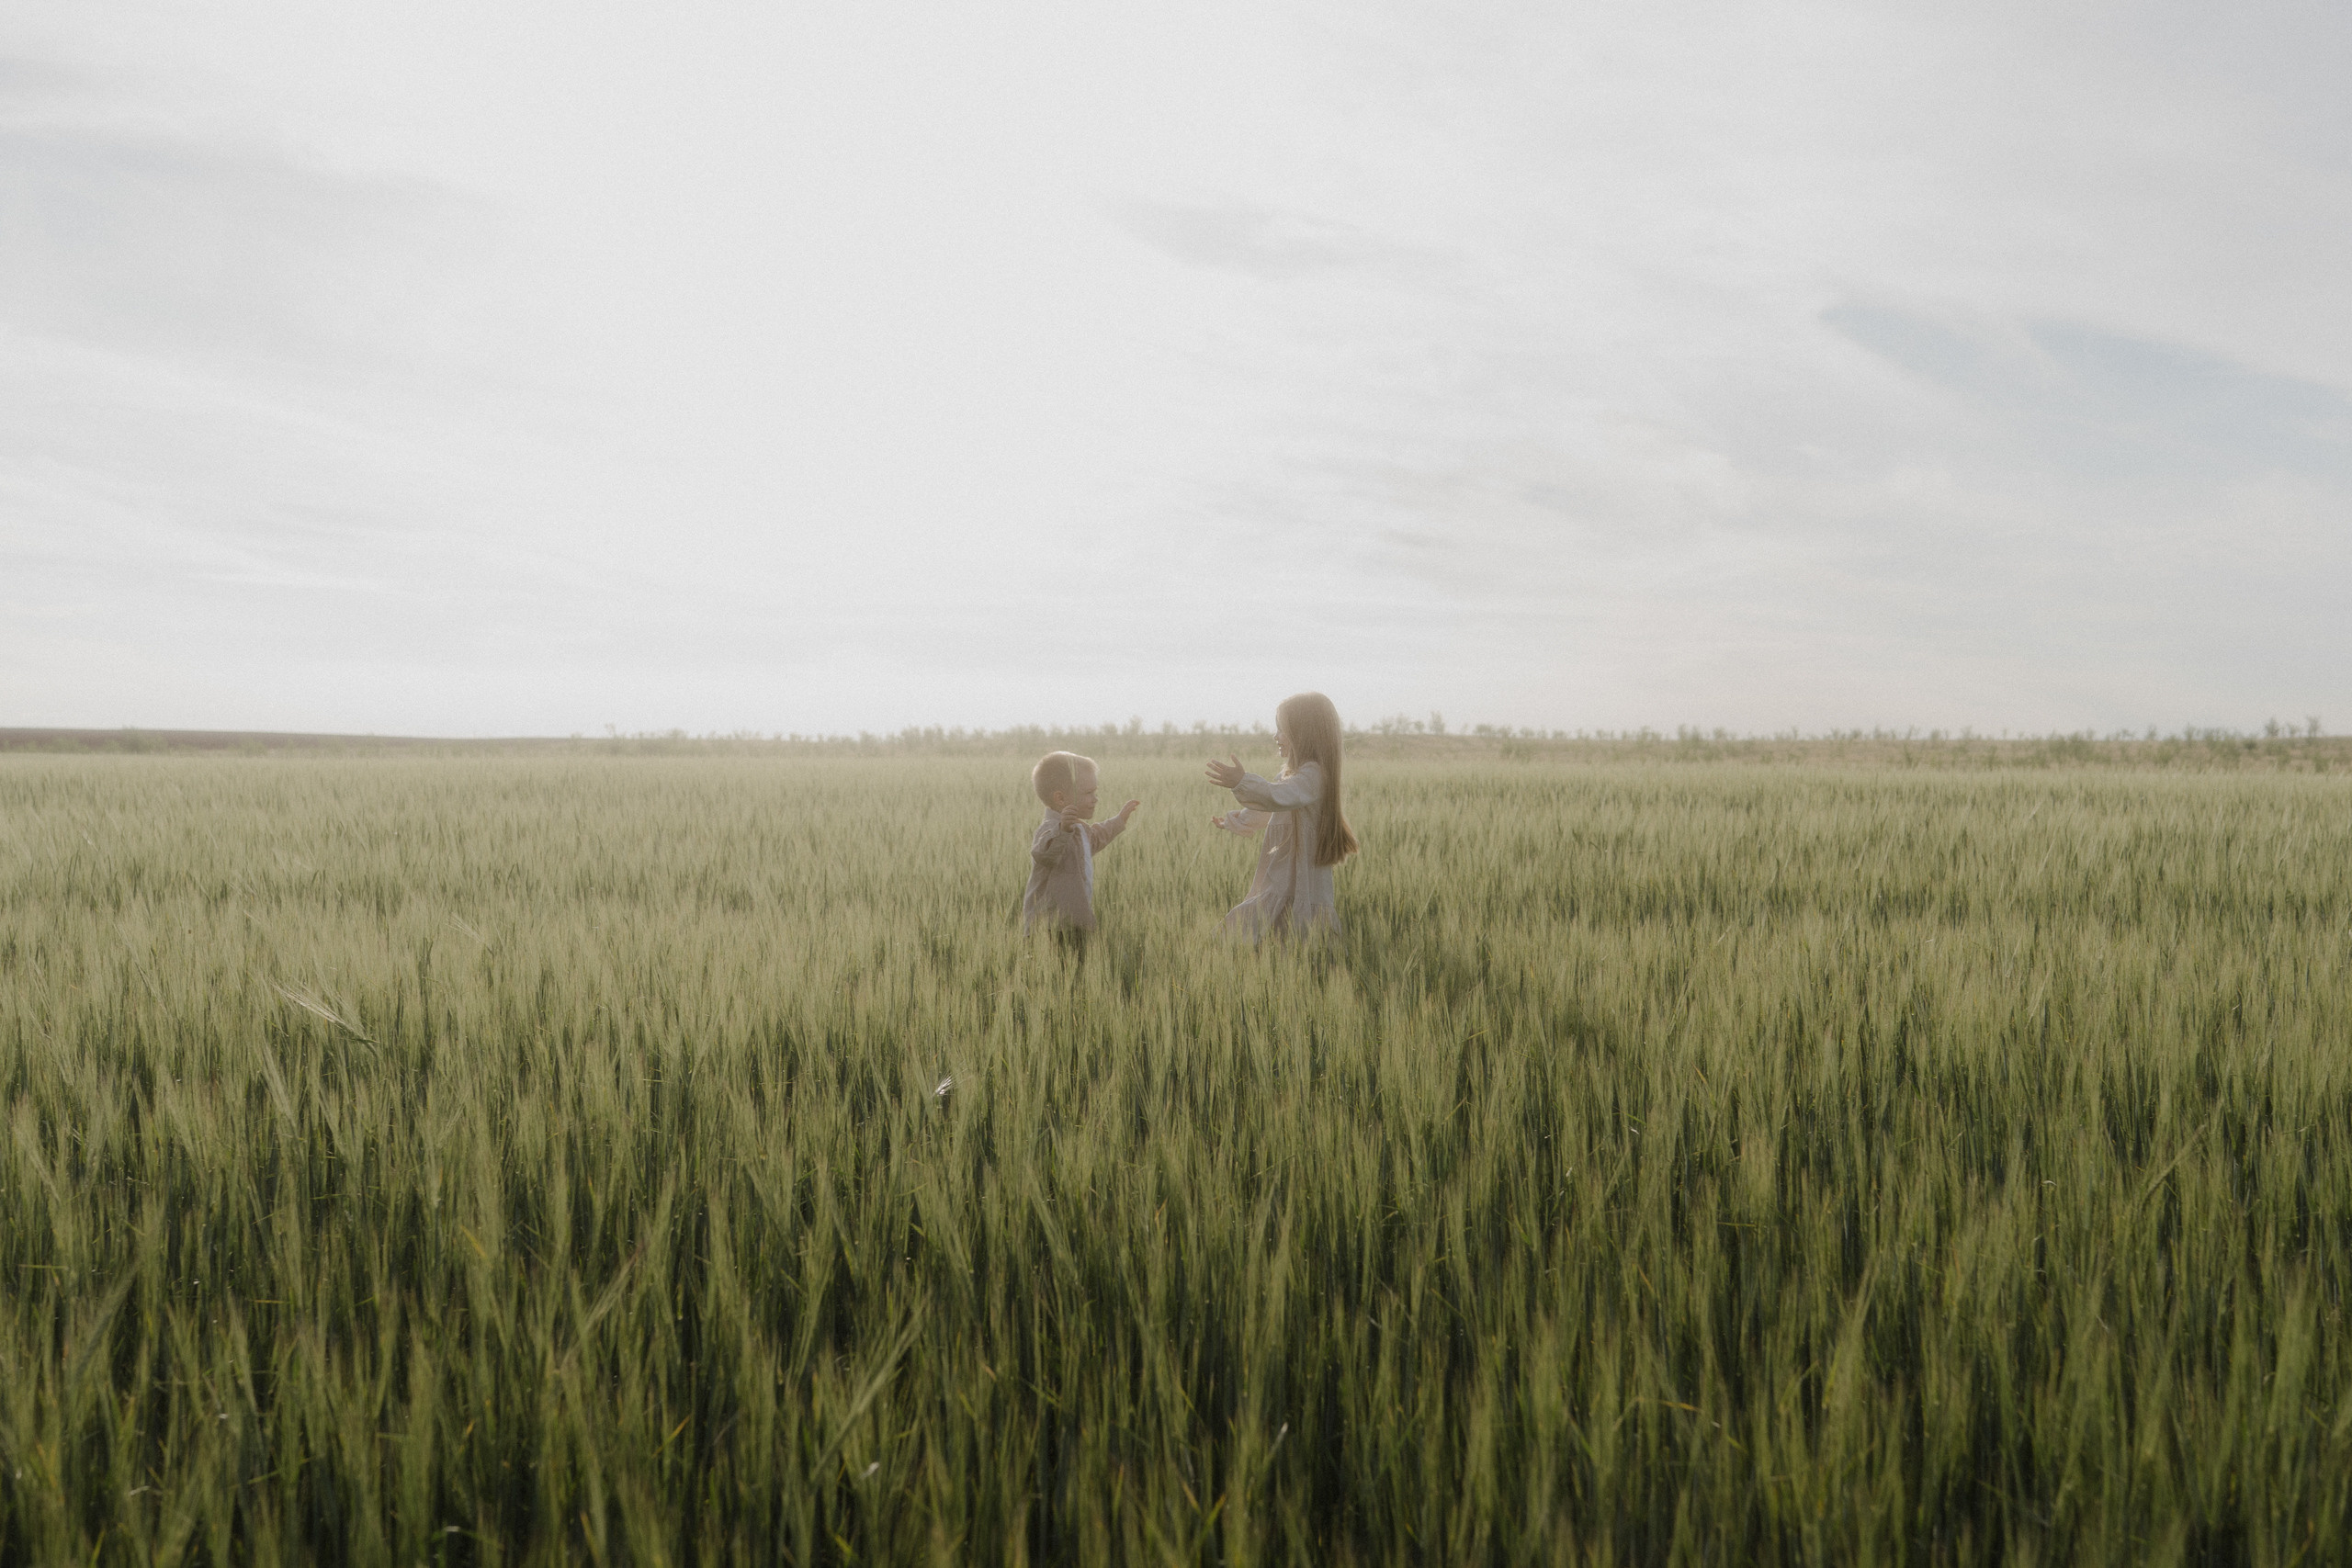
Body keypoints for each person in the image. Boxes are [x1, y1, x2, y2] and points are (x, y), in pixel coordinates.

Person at [1204, 692, 1358, 939]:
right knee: (1245, 936)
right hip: (1280, 884)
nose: (1275, 736)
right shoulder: (1292, 778)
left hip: (1299, 889)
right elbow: (1269, 806)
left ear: (1303, 734)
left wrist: (1242, 782)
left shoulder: (1314, 777)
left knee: (1269, 940)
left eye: (1282, 729)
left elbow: (1275, 797)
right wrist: (1237, 821)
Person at [1023, 750, 1140, 933]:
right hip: (1049, 927)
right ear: (1060, 798)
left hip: (1077, 923)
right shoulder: (1048, 830)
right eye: (1088, 793)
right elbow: (1045, 856)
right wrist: (1063, 831)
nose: (1095, 799)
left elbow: (1095, 838)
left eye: (1095, 792)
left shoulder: (1080, 829)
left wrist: (1119, 820)